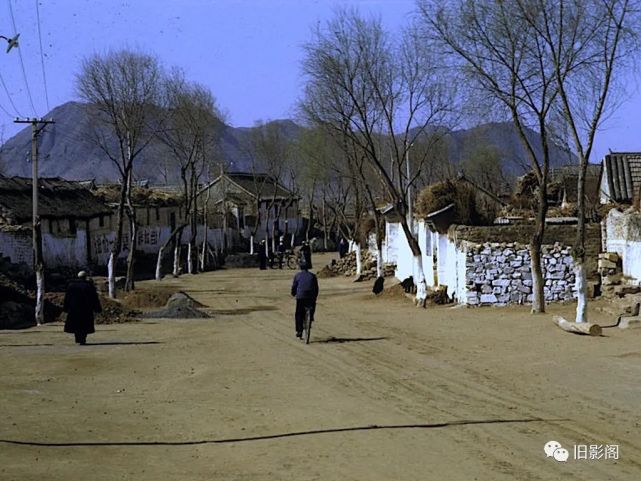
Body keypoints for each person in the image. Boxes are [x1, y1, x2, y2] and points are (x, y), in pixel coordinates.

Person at [63, 271, 102, 345]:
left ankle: (77, 338)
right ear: (85, 277)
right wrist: (97, 308)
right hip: (86, 309)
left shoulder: (71, 286)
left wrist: (66, 308)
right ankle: (82, 339)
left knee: (76, 325)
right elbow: (94, 298)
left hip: (74, 309)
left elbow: (67, 298)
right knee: (84, 326)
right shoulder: (89, 286)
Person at [290, 261, 319, 339]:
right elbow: (316, 288)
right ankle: (311, 316)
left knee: (299, 313)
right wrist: (315, 296)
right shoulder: (313, 276)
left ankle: (299, 330)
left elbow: (294, 287)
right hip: (311, 297)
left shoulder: (297, 276)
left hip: (300, 297)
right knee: (312, 305)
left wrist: (293, 293)